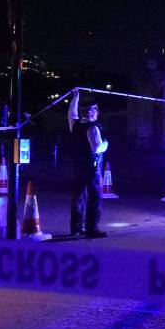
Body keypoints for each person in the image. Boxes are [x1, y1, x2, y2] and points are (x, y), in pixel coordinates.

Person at [68, 94, 108, 238]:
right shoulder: (92, 128)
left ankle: (76, 228)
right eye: (95, 109)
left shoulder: (75, 125)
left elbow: (71, 112)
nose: (97, 112)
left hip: (78, 167)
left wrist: (76, 97)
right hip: (92, 168)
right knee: (95, 198)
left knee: (78, 198)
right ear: (90, 112)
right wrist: (106, 145)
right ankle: (92, 229)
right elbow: (96, 148)